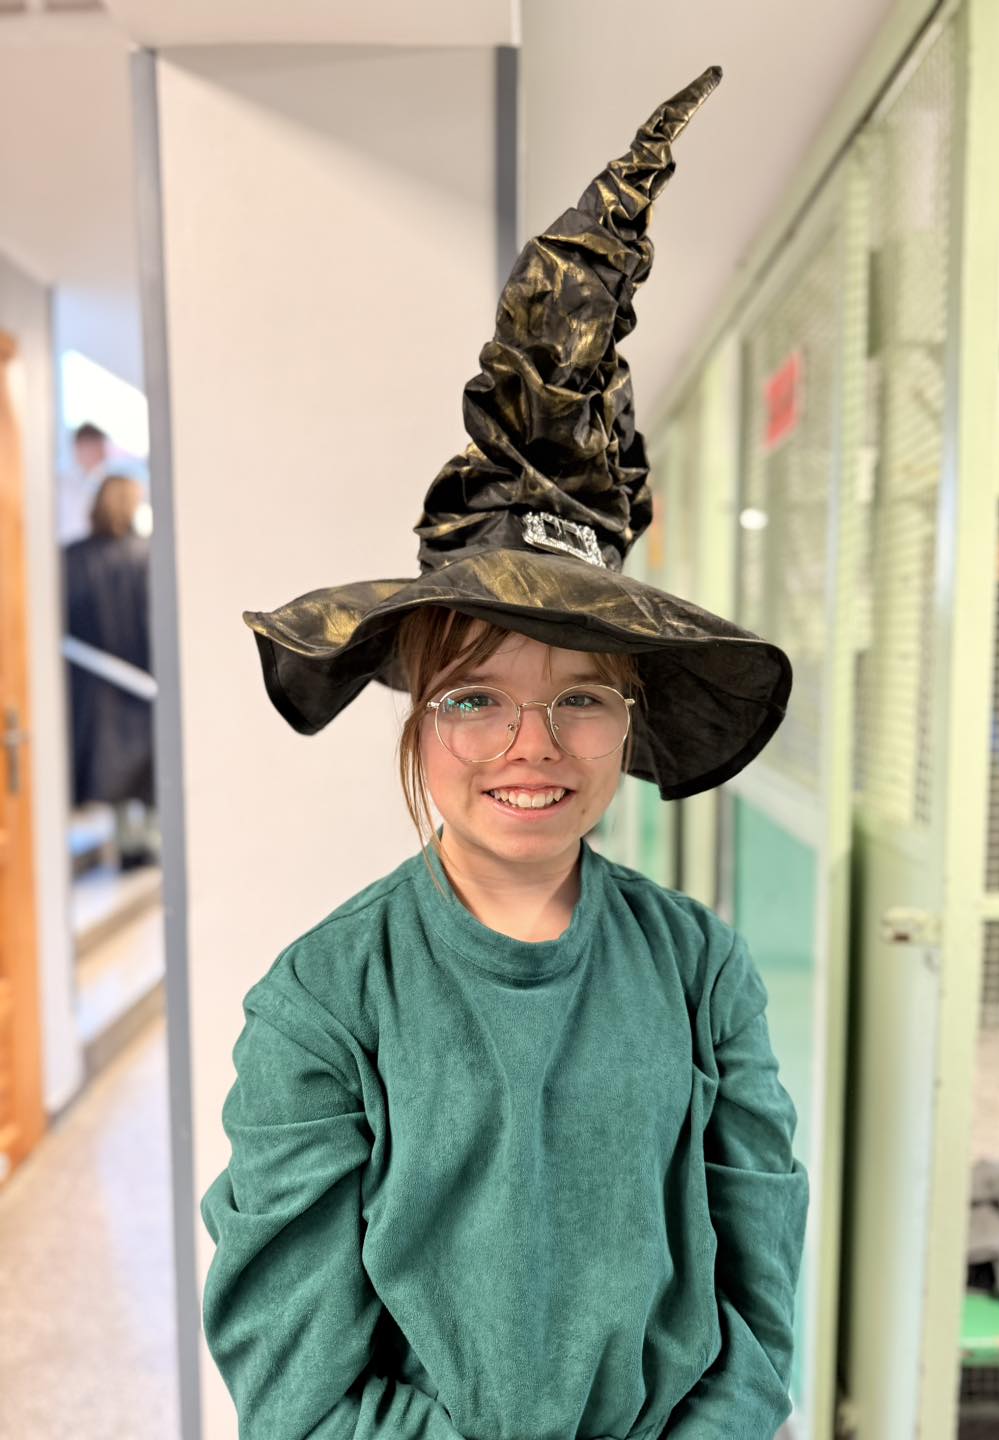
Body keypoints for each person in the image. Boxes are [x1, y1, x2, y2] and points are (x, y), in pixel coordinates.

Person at [200, 68, 809, 1440]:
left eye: (580, 697)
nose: (533, 747)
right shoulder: (323, 1004)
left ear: (632, 718)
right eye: (478, 698)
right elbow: (296, 1390)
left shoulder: (701, 970)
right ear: (417, 713)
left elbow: (759, 1307)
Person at [63, 473, 158, 868]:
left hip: (94, 688)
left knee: (114, 771)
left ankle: (128, 844)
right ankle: (144, 843)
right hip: (142, 683)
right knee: (145, 770)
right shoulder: (145, 557)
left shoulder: (71, 559)